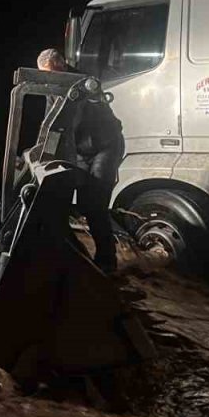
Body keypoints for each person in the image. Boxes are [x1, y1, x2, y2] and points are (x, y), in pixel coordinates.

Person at [37, 47, 125, 273]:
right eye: (44, 75)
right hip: (81, 149)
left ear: (61, 66)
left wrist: (93, 95)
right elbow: (50, 121)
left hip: (104, 147)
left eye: (51, 73)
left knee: (94, 205)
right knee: (76, 201)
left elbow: (88, 106)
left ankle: (107, 261)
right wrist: (40, 151)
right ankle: (72, 255)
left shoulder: (84, 83)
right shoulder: (52, 86)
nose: (48, 79)